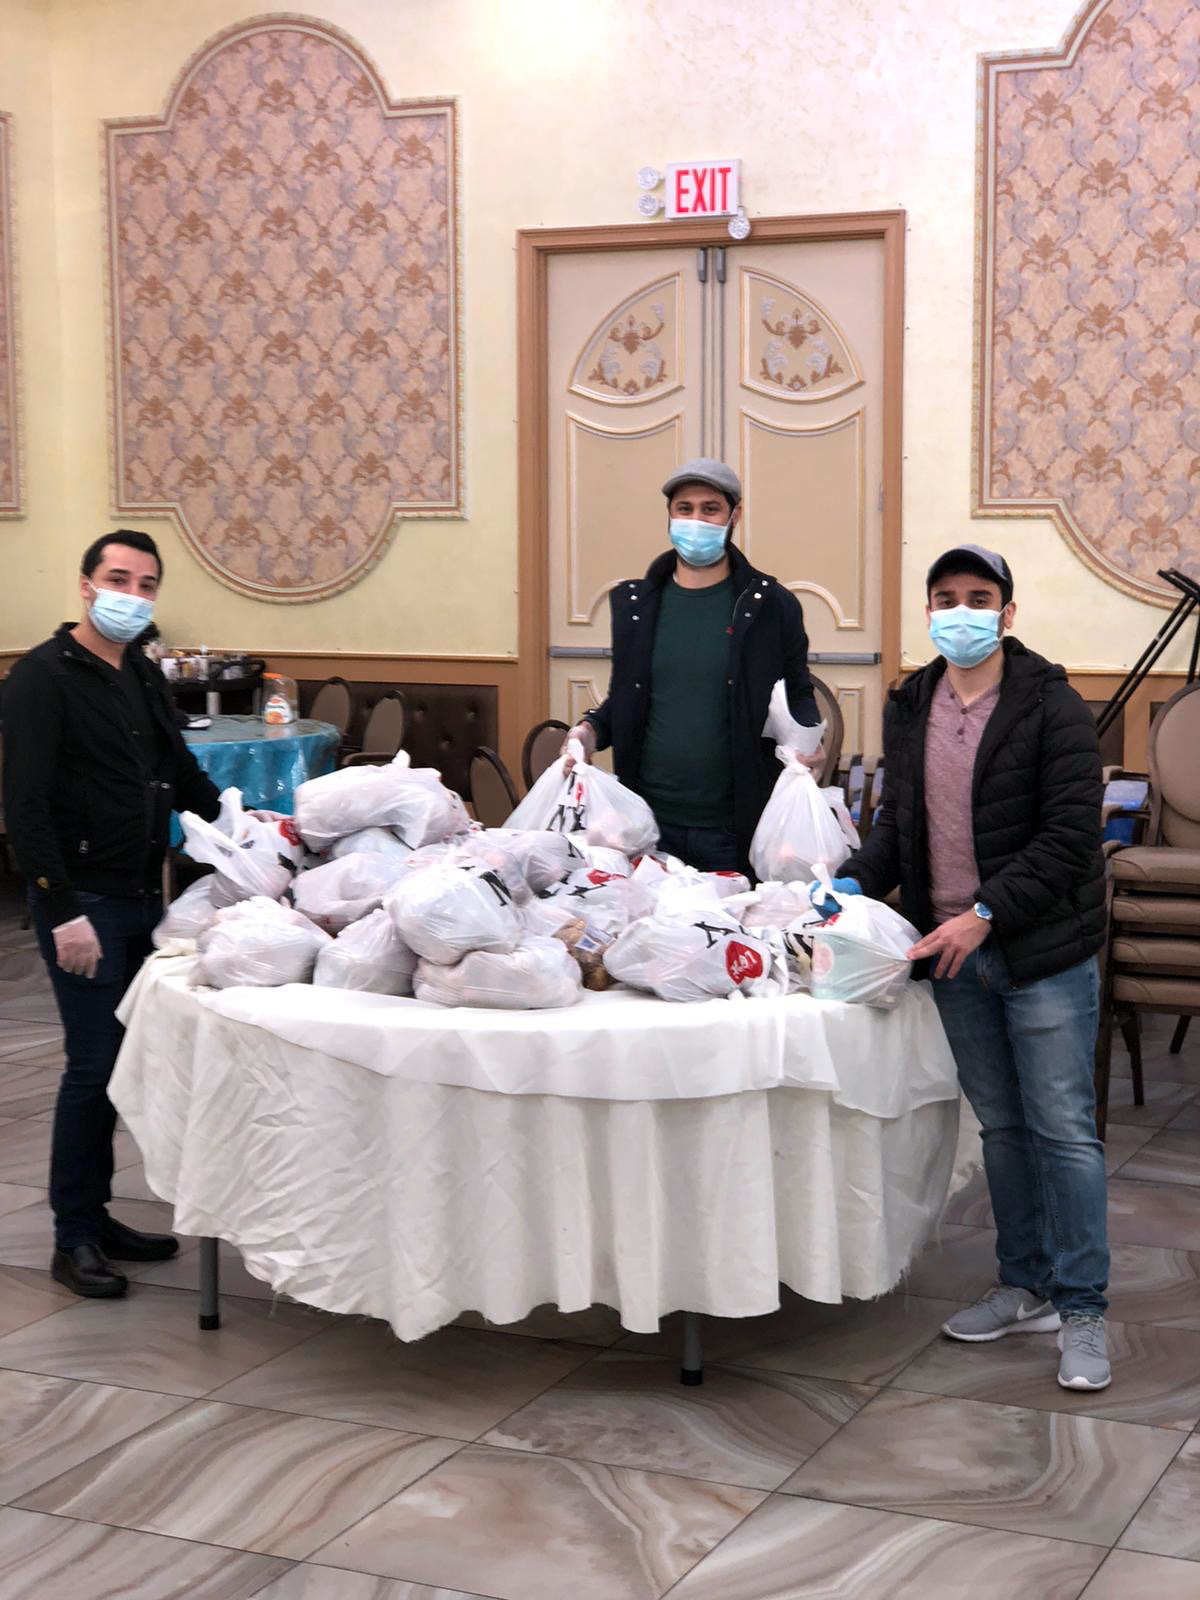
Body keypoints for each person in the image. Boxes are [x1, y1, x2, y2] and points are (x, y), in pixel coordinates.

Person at [832, 543, 1110, 1390]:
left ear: (1008, 613)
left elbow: (1068, 840)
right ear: (929, 613)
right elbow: (900, 827)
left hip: (1038, 950)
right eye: (946, 597)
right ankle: (1023, 1283)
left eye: (979, 596)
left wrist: (984, 916)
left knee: (1063, 1131)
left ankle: (1085, 1308)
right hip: (952, 956)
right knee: (1001, 1130)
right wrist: (846, 885)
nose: (962, 611)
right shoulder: (910, 701)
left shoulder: (1053, 706)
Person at [3, 531, 225, 1299]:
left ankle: (99, 1219)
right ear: (86, 584)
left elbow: (179, 769)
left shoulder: (139, 670)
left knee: (122, 1068)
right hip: (84, 903)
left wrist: (244, 824)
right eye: (118, 577)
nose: (133, 593)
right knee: (91, 1067)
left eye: (147, 582)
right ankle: (73, 1237)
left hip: (140, 893)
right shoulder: (40, 678)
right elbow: (24, 807)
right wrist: (60, 910)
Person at [564, 458, 822, 874]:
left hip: (731, 827)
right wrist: (591, 728)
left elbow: (797, 690)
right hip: (645, 824)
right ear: (669, 515)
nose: (696, 519)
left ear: (734, 516)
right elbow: (628, 696)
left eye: (710, 508)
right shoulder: (635, 604)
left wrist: (809, 740)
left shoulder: (772, 605)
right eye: (685, 509)